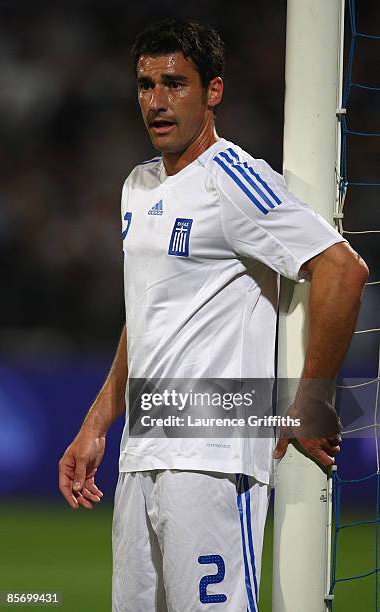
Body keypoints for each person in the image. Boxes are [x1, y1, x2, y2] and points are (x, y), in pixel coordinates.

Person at [58, 19, 368, 612]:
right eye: (146, 85)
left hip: (213, 457)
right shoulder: (138, 185)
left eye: (175, 84)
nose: (157, 101)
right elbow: (146, 311)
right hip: (142, 452)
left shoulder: (234, 179)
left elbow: (342, 270)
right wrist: (98, 422)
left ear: (214, 91)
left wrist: (311, 398)